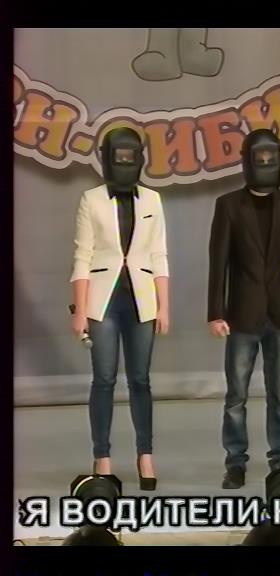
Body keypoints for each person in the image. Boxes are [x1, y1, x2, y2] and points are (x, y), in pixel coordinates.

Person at [207, 128, 280, 489]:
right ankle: (235, 462)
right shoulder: (228, 205)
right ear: (247, 161)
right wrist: (215, 313)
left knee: (278, 394)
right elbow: (218, 263)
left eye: (271, 157)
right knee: (236, 395)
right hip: (241, 314)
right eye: (260, 157)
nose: (266, 163)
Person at [70, 127, 169, 490]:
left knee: (140, 380)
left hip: (142, 300)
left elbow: (159, 254)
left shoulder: (153, 200)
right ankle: (102, 456)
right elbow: (82, 256)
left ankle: (145, 454)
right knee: (104, 379)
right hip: (104, 301)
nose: (125, 162)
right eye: (119, 156)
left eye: (131, 156)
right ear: (106, 158)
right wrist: (80, 310)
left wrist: (164, 305)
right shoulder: (91, 199)